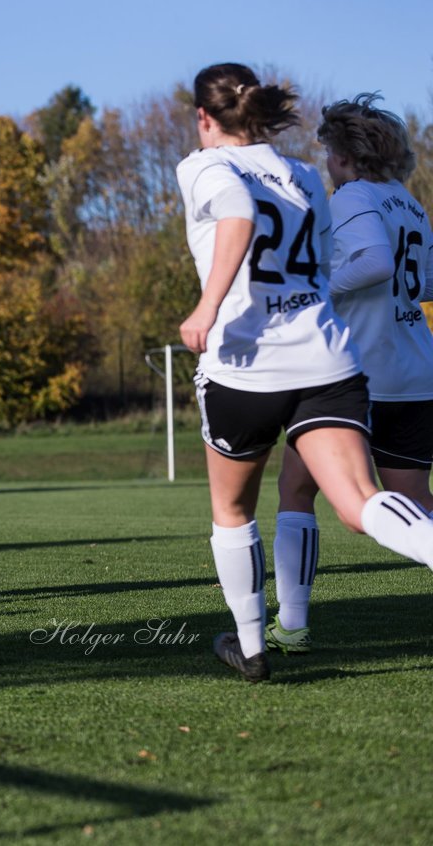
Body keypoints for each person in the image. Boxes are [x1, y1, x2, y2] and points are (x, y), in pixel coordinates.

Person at [175, 64, 433, 682]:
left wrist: (209, 305)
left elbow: (238, 212)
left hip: (247, 360)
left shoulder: (203, 165)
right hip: (328, 358)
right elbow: (318, 269)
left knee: (233, 510)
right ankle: (286, 627)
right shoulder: (306, 176)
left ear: (205, 117)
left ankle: (255, 645)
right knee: (362, 500)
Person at [269, 93, 433, 655]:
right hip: (416, 371)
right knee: (415, 503)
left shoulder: (355, 196)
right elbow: (424, 282)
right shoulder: (407, 204)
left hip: (359, 375)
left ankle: (291, 626)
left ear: (344, 155)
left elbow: (376, 265)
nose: (326, 161)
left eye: (330, 151)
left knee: (299, 487)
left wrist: (315, 288)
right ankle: (290, 626)